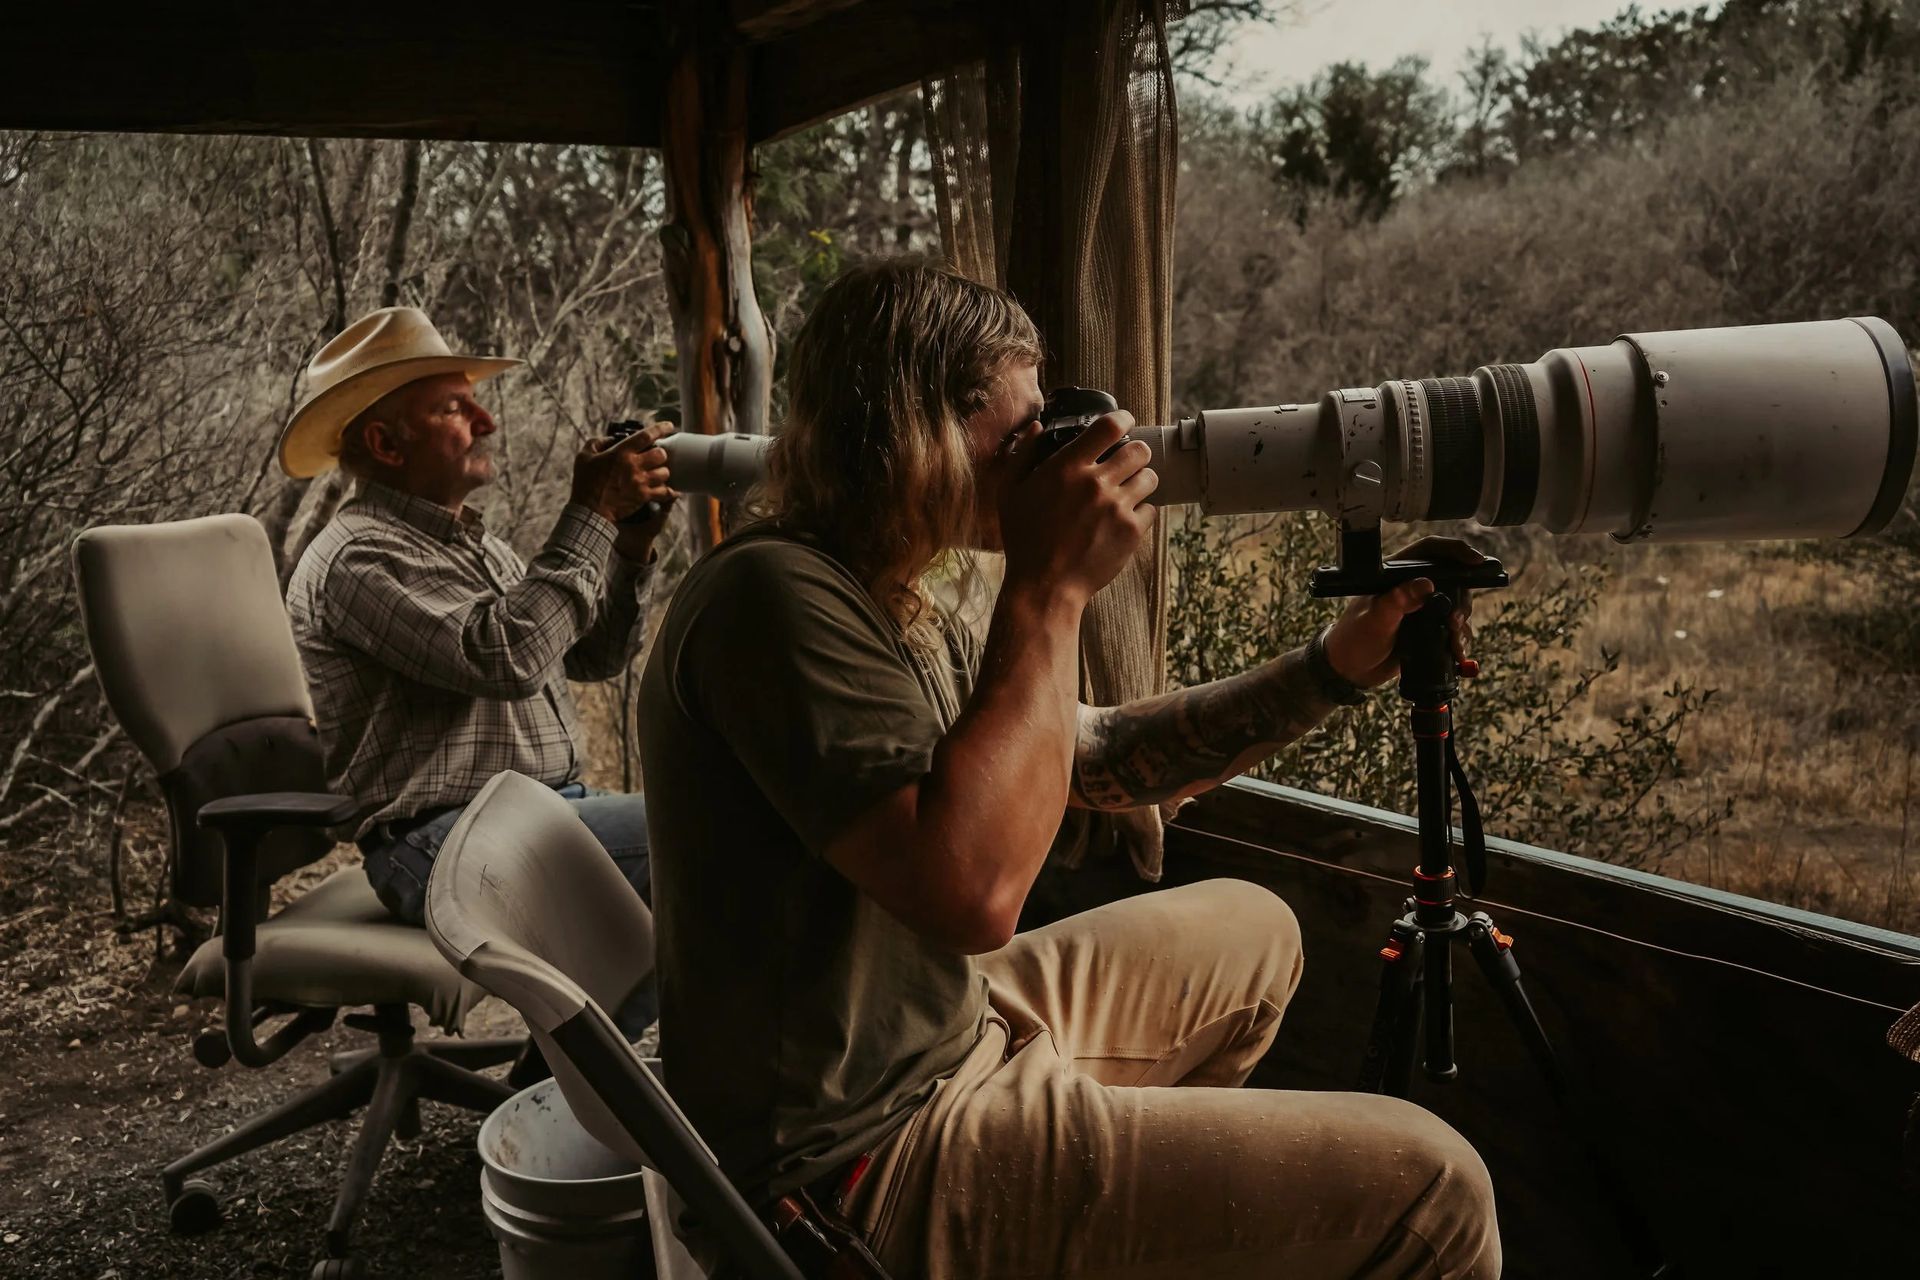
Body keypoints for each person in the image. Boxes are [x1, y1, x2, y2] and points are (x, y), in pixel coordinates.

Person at [637, 260, 1501, 1277]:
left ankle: (1125, 1220)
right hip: (860, 1162)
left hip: (942, 1030)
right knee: (1439, 1189)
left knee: (1254, 929)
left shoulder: (887, 592)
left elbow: (1090, 758)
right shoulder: (773, 596)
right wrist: (1049, 586)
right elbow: (972, 895)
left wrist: (1334, 666)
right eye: (1020, 438)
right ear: (918, 431)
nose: (1049, 459)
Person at [280, 306, 673, 1033]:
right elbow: (510, 656)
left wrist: (628, 549)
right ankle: (604, 1096)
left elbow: (591, 654)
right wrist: (588, 510)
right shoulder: (358, 558)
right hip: (440, 842)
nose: (488, 422)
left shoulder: (474, 546)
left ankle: (587, 1084)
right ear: (385, 442)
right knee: (696, 833)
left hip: (535, 815)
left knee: (697, 856)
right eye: (456, 408)